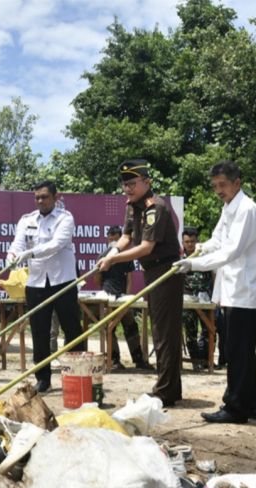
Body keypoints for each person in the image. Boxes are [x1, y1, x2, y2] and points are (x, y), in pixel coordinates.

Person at [175, 161, 256, 423]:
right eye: (215, 186)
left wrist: (193, 264)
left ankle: (235, 408)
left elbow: (230, 251)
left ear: (237, 183)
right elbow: (217, 241)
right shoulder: (229, 208)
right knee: (241, 350)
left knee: (237, 351)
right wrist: (198, 249)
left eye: (223, 185)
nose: (218, 190)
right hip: (232, 289)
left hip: (243, 289)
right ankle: (252, 404)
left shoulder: (247, 210)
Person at [98, 159, 184, 407]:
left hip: (166, 270)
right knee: (160, 329)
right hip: (151, 270)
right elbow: (126, 237)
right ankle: (170, 388)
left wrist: (112, 260)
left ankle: (165, 391)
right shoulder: (132, 206)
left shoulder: (154, 207)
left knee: (164, 333)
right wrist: (109, 253)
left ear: (147, 182)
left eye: (133, 184)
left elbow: (146, 247)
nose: (128, 189)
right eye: (125, 185)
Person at [7, 180, 84, 392]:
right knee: (39, 331)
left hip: (63, 281)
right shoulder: (27, 220)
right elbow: (18, 243)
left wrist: (31, 253)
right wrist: (12, 255)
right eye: (37, 197)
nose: (40, 201)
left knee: (72, 329)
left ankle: (77, 375)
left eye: (44, 197)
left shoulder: (65, 218)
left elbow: (57, 244)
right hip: (37, 281)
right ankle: (43, 378)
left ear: (55, 197)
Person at [95, 225, 152, 371]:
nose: (113, 241)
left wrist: (126, 298)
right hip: (107, 297)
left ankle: (138, 359)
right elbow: (97, 280)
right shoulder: (102, 256)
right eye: (111, 238)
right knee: (109, 329)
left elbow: (129, 280)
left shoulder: (125, 257)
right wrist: (98, 268)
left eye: (116, 238)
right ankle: (114, 360)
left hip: (122, 297)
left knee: (131, 327)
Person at [181, 227, 213, 370]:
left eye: (192, 241)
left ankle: (207, 360)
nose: (190, 245)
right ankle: (195, 361)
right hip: (188, 301)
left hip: (205, 299)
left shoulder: (205, 257)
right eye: (187, 242)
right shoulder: (181, 260)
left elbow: (213, 275)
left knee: (209, 331)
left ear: (197, 241)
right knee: (191, 332)